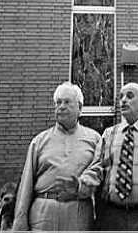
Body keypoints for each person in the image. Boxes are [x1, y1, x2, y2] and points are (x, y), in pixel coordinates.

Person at [57, 82, 138, 230]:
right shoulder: (109, 134)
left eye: (130, 96)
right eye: (121, 97)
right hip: (112, 216)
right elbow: (97, 169)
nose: (123, 100)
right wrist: (80, 184)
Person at [12, 81, 103, 231]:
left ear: (80, 108)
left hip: (78, 215)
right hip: (43, 215)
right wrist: (20, 221)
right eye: (58, 103)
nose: (61, 106)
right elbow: (26, 186)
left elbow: (98, 176)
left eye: (67, 102)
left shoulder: (95, 140)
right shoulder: (39, 141)